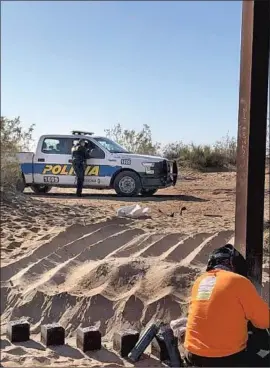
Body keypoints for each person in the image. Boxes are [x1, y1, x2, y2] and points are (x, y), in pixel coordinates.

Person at [183, 244, 270, 367]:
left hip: (193, 355)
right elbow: (265, 321)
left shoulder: (199, 281)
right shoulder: (239, 281)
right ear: (234, 264)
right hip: (225, 359)